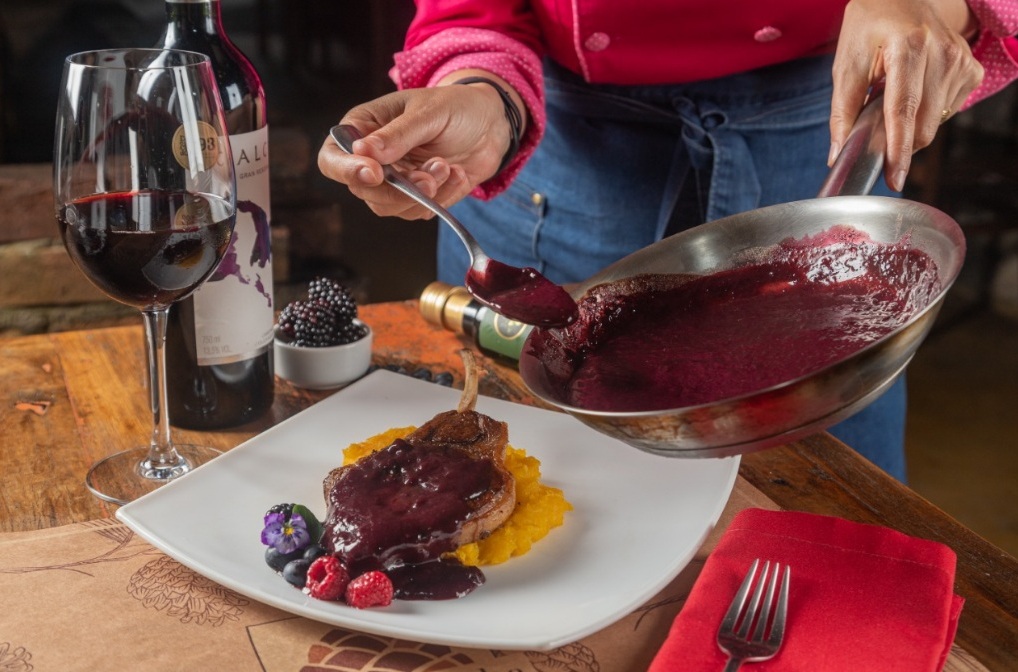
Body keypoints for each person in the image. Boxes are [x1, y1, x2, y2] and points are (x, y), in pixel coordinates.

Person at [318, 0, 1018, 481]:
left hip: (825, 121)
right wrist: (479, 94)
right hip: (562, 154)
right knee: (536, 523)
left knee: (839, 552)